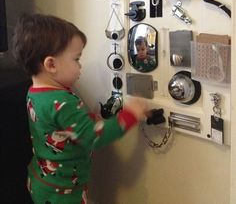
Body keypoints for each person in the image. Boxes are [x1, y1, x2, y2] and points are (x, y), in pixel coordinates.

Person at [12, 13, 148, 204]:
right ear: (51, 64)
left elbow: (63, 126)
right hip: (63, 191)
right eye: (76, 59)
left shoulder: (35, 92)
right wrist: (130, 115)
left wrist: (91, 118)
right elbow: (94, 137)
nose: (80, 65)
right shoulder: (63, 101)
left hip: (41, 180)